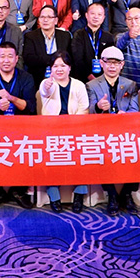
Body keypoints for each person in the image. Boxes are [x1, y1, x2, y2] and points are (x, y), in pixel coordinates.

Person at [0, 42, 38, 210]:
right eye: (2, 56)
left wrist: (11, 98)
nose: (6, 60)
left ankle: (19, 191)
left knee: (27, 149)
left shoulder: (26, 77)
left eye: (10, 56)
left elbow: (30, 107)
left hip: (20, 127)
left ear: (16, 59)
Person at [85, 47, 140, 213]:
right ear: (101, 63)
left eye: (116, 63)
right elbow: (90, 111)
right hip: (102, 132)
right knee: (102, 153)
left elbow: (135, 110)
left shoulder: (130, 85)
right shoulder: (91, 85)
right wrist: (98, 106)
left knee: (138, 152)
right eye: (108, 62)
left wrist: (126, 115)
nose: (112, 66)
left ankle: (127, 194)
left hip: (125, 131)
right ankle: (112, 195)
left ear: (122, 65)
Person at [36, 52, 92, 212]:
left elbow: (84, 109)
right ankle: (54, 196)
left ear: (69, 68)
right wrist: (46, 87)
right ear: (51, 69)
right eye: (55, 66)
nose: (59, 69)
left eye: (63, 65)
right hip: (52, 132)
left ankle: (79, 194)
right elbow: (44, 92)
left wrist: (73, 126)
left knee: (84, 155)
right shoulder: (46, 83)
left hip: (75, 130)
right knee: (50, 159)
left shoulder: (79, 85)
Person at [23, 5, 71, 86]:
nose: (45, 20)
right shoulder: (30, 36)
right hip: (38, 80)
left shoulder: (65, 36)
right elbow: (29, 59)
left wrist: (44, 59)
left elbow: (69, 58)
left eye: (49, 17)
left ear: (56, 20)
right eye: (42, 17)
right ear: (39, 20)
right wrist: (55, 59)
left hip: (61, 80)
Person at [69, 3, 116, 84]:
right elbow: (77, 59)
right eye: (92, 13)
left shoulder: (108, 37)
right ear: (86, 15)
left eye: (99, 14)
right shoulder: (78, 34)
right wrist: (90, 76)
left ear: (104, 17)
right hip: (82, 79)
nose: (96, 17)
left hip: (104, 80)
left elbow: (110, 60)